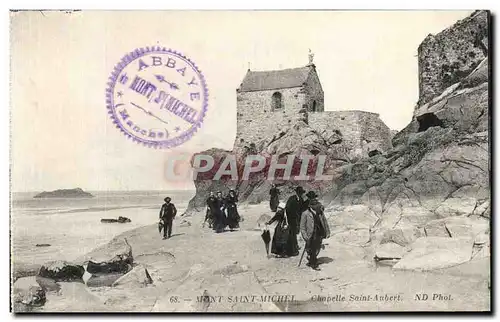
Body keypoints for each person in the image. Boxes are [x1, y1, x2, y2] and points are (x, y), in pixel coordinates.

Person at [300, 191, 330, 270]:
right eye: (315, 205)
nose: (316, 206)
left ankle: (312, 259)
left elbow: (324, 222)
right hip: (311, 234)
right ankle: (313, 264)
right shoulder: (305, 213)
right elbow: (302, 227)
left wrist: (327, 231)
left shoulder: (319, 212)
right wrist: (305, 236)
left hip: (319, 232)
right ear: (310, 206)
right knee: (312, 248)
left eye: (317, 205)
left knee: (317, 247)